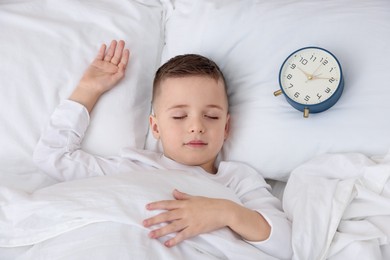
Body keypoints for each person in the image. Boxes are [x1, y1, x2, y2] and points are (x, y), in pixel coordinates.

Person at [33, 40, 292, 259]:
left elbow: (284, 243)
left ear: (226, 127)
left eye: (211, 117)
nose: (196, 127)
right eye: (179, 116)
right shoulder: (132, 169)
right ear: (155, 127)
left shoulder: (237, 180)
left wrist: (224, 211)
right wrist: (88, 90)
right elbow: (53, 156)